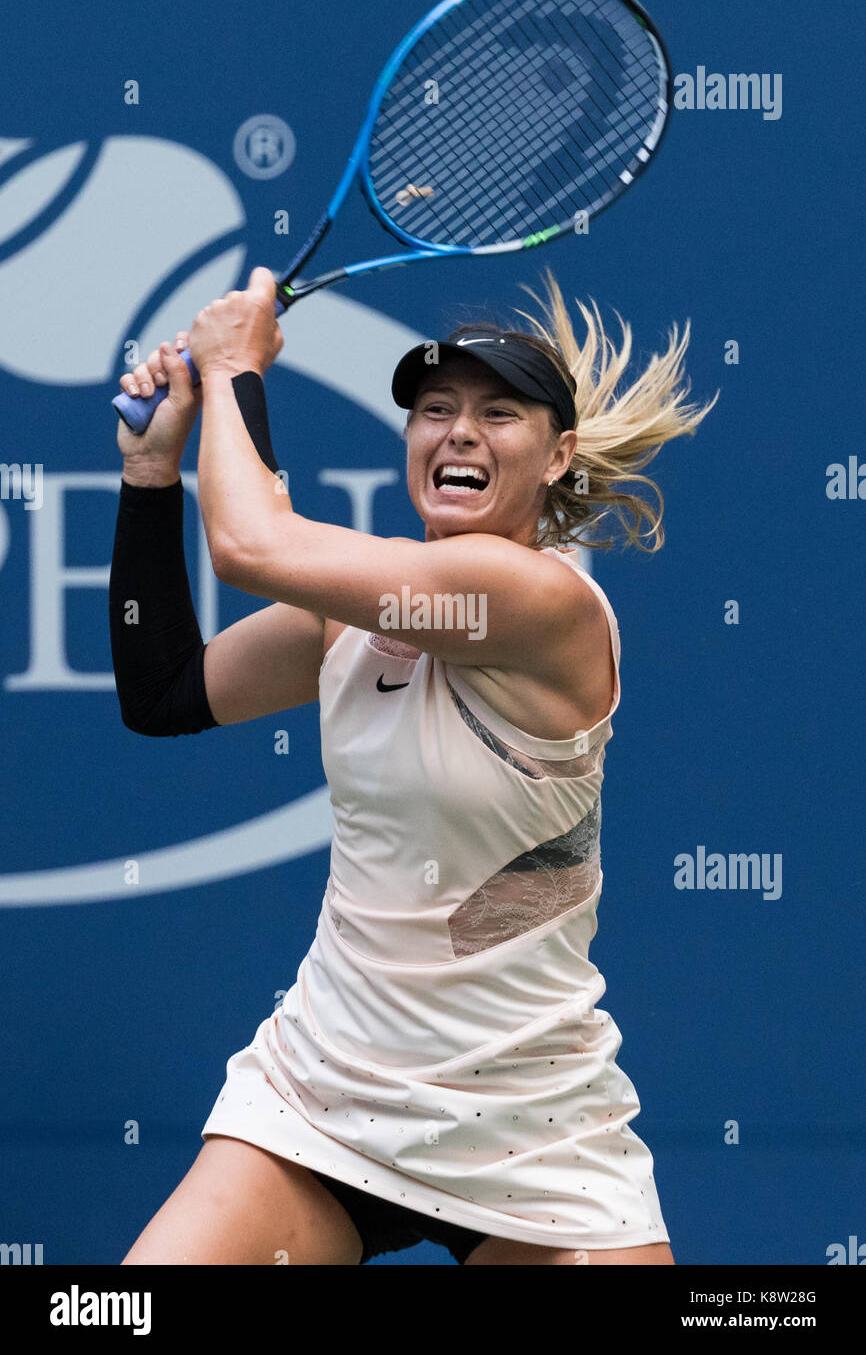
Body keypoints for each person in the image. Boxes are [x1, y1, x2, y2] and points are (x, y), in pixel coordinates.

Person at [111, 267, 715, 1265]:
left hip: (535, 1123)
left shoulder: (529, 600)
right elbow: (165, 691)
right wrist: (147, 477)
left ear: (557, 455)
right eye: (434, 409)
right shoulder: (348, 618)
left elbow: (248, 545)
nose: (459, 431)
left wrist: (232, 367)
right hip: (323, 1097)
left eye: (498, 412)